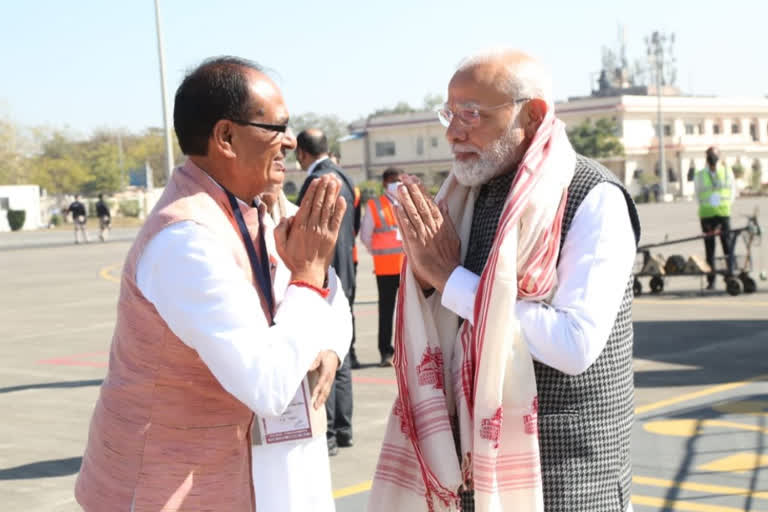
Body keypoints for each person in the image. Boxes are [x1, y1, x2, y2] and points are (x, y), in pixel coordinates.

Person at [75, 56, 351, 512]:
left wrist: (330, 346)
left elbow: (332, 299)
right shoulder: (184, 240)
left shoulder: (261, 208)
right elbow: (267, 385)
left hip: (263, 473)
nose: (288, 140)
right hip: (168, 489)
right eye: (277, 126)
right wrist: (306, 279)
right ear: (226, 137)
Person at [369, 49, 640, 512]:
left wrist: (447, 278)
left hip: (567, 476)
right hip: (473, 472)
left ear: (532, 115)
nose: (454, 131)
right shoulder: (467, 194)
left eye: (472, 114)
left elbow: (573, 345)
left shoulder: (592, 198)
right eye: (449, 114)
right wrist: (429, 282)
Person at [296, 129, 356, 457]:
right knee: (340, 351)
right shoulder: (345, 179)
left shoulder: (318, 181)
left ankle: (329, 432)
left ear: (302, 152)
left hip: (323, 274)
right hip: (346, 271)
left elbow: (307, 231)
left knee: (322, 353)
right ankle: (344, 429)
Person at [359, 167, 405, 367]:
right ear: (386, 183)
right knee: (386, 312)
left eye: (401, 181)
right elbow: (365, 236)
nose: (399, 185)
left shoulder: (405, 203)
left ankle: (406, 351)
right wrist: (377, 252)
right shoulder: (375, 205)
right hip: (385, 267)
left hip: (407, 267)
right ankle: (386, 352)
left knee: (409, 312)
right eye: (395, 181)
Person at [695, 146, 736, 290]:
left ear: (719, 156)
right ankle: (711, 280)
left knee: (727, 246)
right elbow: (698, 194)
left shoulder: (726, 172)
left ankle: (730, 275)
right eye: (710, 155)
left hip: (723, 214)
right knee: (709, 249)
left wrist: (725, 205)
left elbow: (732, 191)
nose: (712, 157)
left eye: (714, 154)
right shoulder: (700, 174)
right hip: (707, 215)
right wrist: (708, 207)